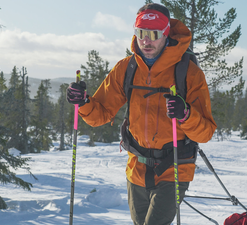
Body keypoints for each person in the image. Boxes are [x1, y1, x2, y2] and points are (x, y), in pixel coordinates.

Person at [67, 3, 217, 225]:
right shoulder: (127, 68)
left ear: (166, 34)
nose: (146, 41)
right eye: (141, 34)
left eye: (154, 34)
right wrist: (84, 102)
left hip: (174, 167)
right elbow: (101, 114)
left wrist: (185, 114)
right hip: (137, 167)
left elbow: (205, 132)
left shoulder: (188, 73)